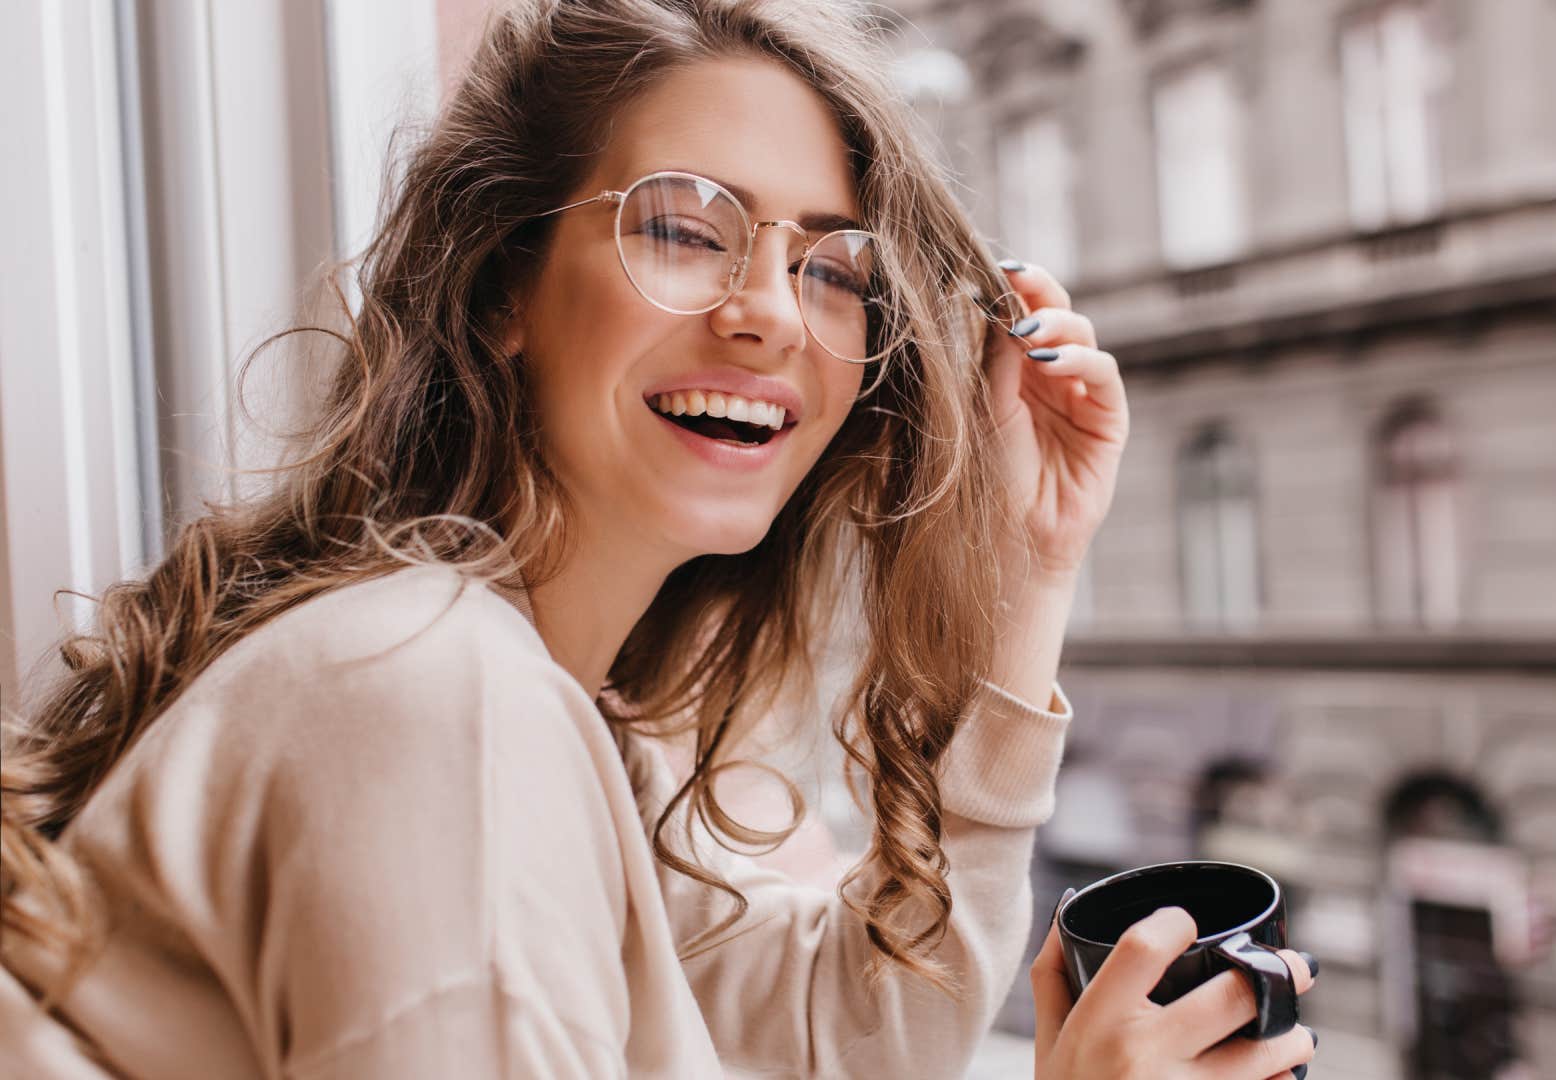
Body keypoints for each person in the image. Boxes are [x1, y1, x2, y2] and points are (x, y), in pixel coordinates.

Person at [0, 1, 1318, 1077]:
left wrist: (1030, 565)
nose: (770, 313)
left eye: (832, 267)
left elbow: (858, 1035)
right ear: (502, 282)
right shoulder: (435, 699)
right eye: (686, 230)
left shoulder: (557, 724)